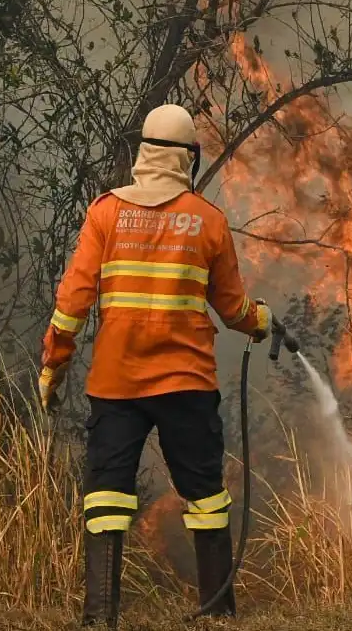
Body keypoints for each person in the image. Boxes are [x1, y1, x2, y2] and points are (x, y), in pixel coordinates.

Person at [38, 104, 272, 627]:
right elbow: (232, 308)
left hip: (116, 382)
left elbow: (72, 301)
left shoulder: (105, 213)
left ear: (143, 151)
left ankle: (100, 618)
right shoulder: (207, 220)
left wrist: (54, 363)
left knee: (105, 495)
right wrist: (262, 321)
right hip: (186, 383)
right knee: (206, 496)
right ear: (188, 157)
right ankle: (218, 613)